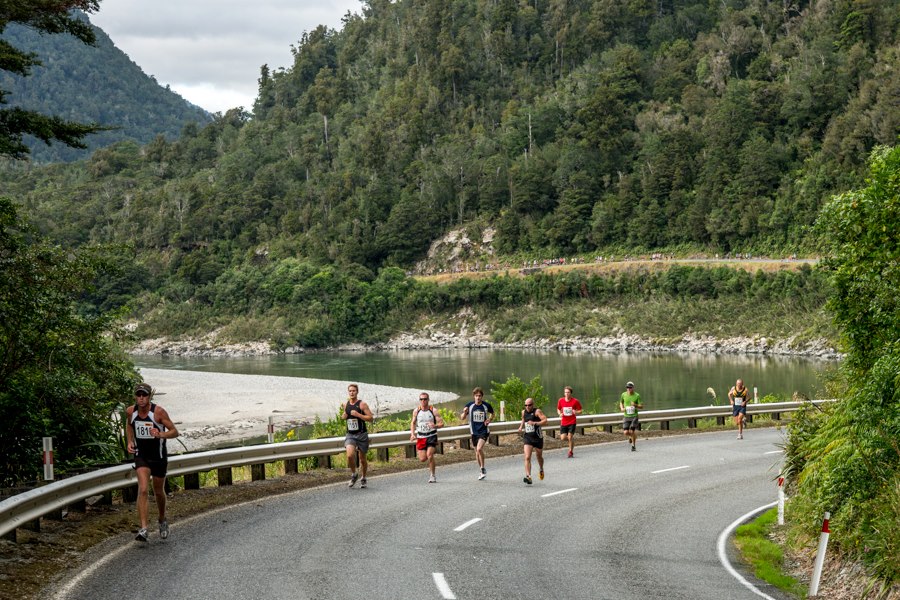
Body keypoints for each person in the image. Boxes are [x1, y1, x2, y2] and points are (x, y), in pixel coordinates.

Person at [126, 382, 179, 543]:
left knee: (158, 492)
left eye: (144, 395)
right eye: (138, 395)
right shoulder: (130, 411)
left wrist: (160, 435)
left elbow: (175, 431)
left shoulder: (158, 412)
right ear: (135, 397)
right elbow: (129, 425)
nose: (141, 398)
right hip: (141, 455)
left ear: (149, 397)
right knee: (142, 489)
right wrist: (130, 441)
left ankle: (162, 519)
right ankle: (143, 529)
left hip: (158, 456)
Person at [341, 383, 374, 489]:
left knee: (362, 459)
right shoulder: (345, 404)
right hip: (350, 434)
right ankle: (354, 474)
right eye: (350, 391)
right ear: (348, 392)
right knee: (350, 455)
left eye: (353, 391)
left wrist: (359, 415)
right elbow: (344, 416)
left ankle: (363, 477)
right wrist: (343, 417)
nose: (352, 392)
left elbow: (370, 418)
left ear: (357, 392)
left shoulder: (362, 404)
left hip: (362, 435)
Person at [460, 387, 494, 480]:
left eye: (479, 396)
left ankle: (483, 468)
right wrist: (464, 412)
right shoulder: (469, 405)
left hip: (483, 431)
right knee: (476, 452)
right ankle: (481, 470)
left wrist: (489, 419)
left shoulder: (486, 405)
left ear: (482, 397)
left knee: (479, 449)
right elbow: (462, 418)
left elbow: (493, 413)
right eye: (476, 396)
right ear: (473, 396)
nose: (478, 397)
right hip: (473, 432)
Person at [410, 392, 444, 483]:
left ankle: (432, 475)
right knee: (422, 459)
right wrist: (412, 434)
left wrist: (435, 426)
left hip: (431, 436)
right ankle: (430, 454)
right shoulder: (416, 411)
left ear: (428, 400)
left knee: (429, 455)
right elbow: (413, 423)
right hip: (421, 437)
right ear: (419, 400)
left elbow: (442, 423)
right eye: (421, 399)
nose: (423, 401)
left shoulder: (433, 410)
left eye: (425, 399)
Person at [518, 397, 548, 485]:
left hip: (538, 437)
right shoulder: (523, 412)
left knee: (539, 456)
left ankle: (541, 468)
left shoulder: (537, 411)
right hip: (528, 437)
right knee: (527, 457)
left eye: (529, 405)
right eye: (526, 405)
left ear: (533, 404)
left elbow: (545, 420)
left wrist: (535, 423)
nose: (527, 407)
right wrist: (521, 426)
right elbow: (524, 419)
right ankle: (528, 476)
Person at [556, 386, 582, 458]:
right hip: (564, 422)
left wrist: (576, 412)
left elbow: (580, 411)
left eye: (568, 392)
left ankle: (570, 452)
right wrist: (559, 413)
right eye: (565, 392)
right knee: (563, 438)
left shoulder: (575, 401)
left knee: (570, 436)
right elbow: (558, 409)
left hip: (572, 421)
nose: (566, 394)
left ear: (571, 393)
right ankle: (571, 441)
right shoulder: (561, 400)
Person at [620, 381, 644, 452]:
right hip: (626, 416)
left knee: (632, 431)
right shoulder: (623, 394)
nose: (628, 389)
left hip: (634, 416)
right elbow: (621, 402)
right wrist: (621, 408)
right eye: (627, 387)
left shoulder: (637, 395)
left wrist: (635, 405)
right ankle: (631, 437)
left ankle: (633, 446)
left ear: (633, 388)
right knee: (626, 432)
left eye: (630, 387)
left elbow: (641, 406)